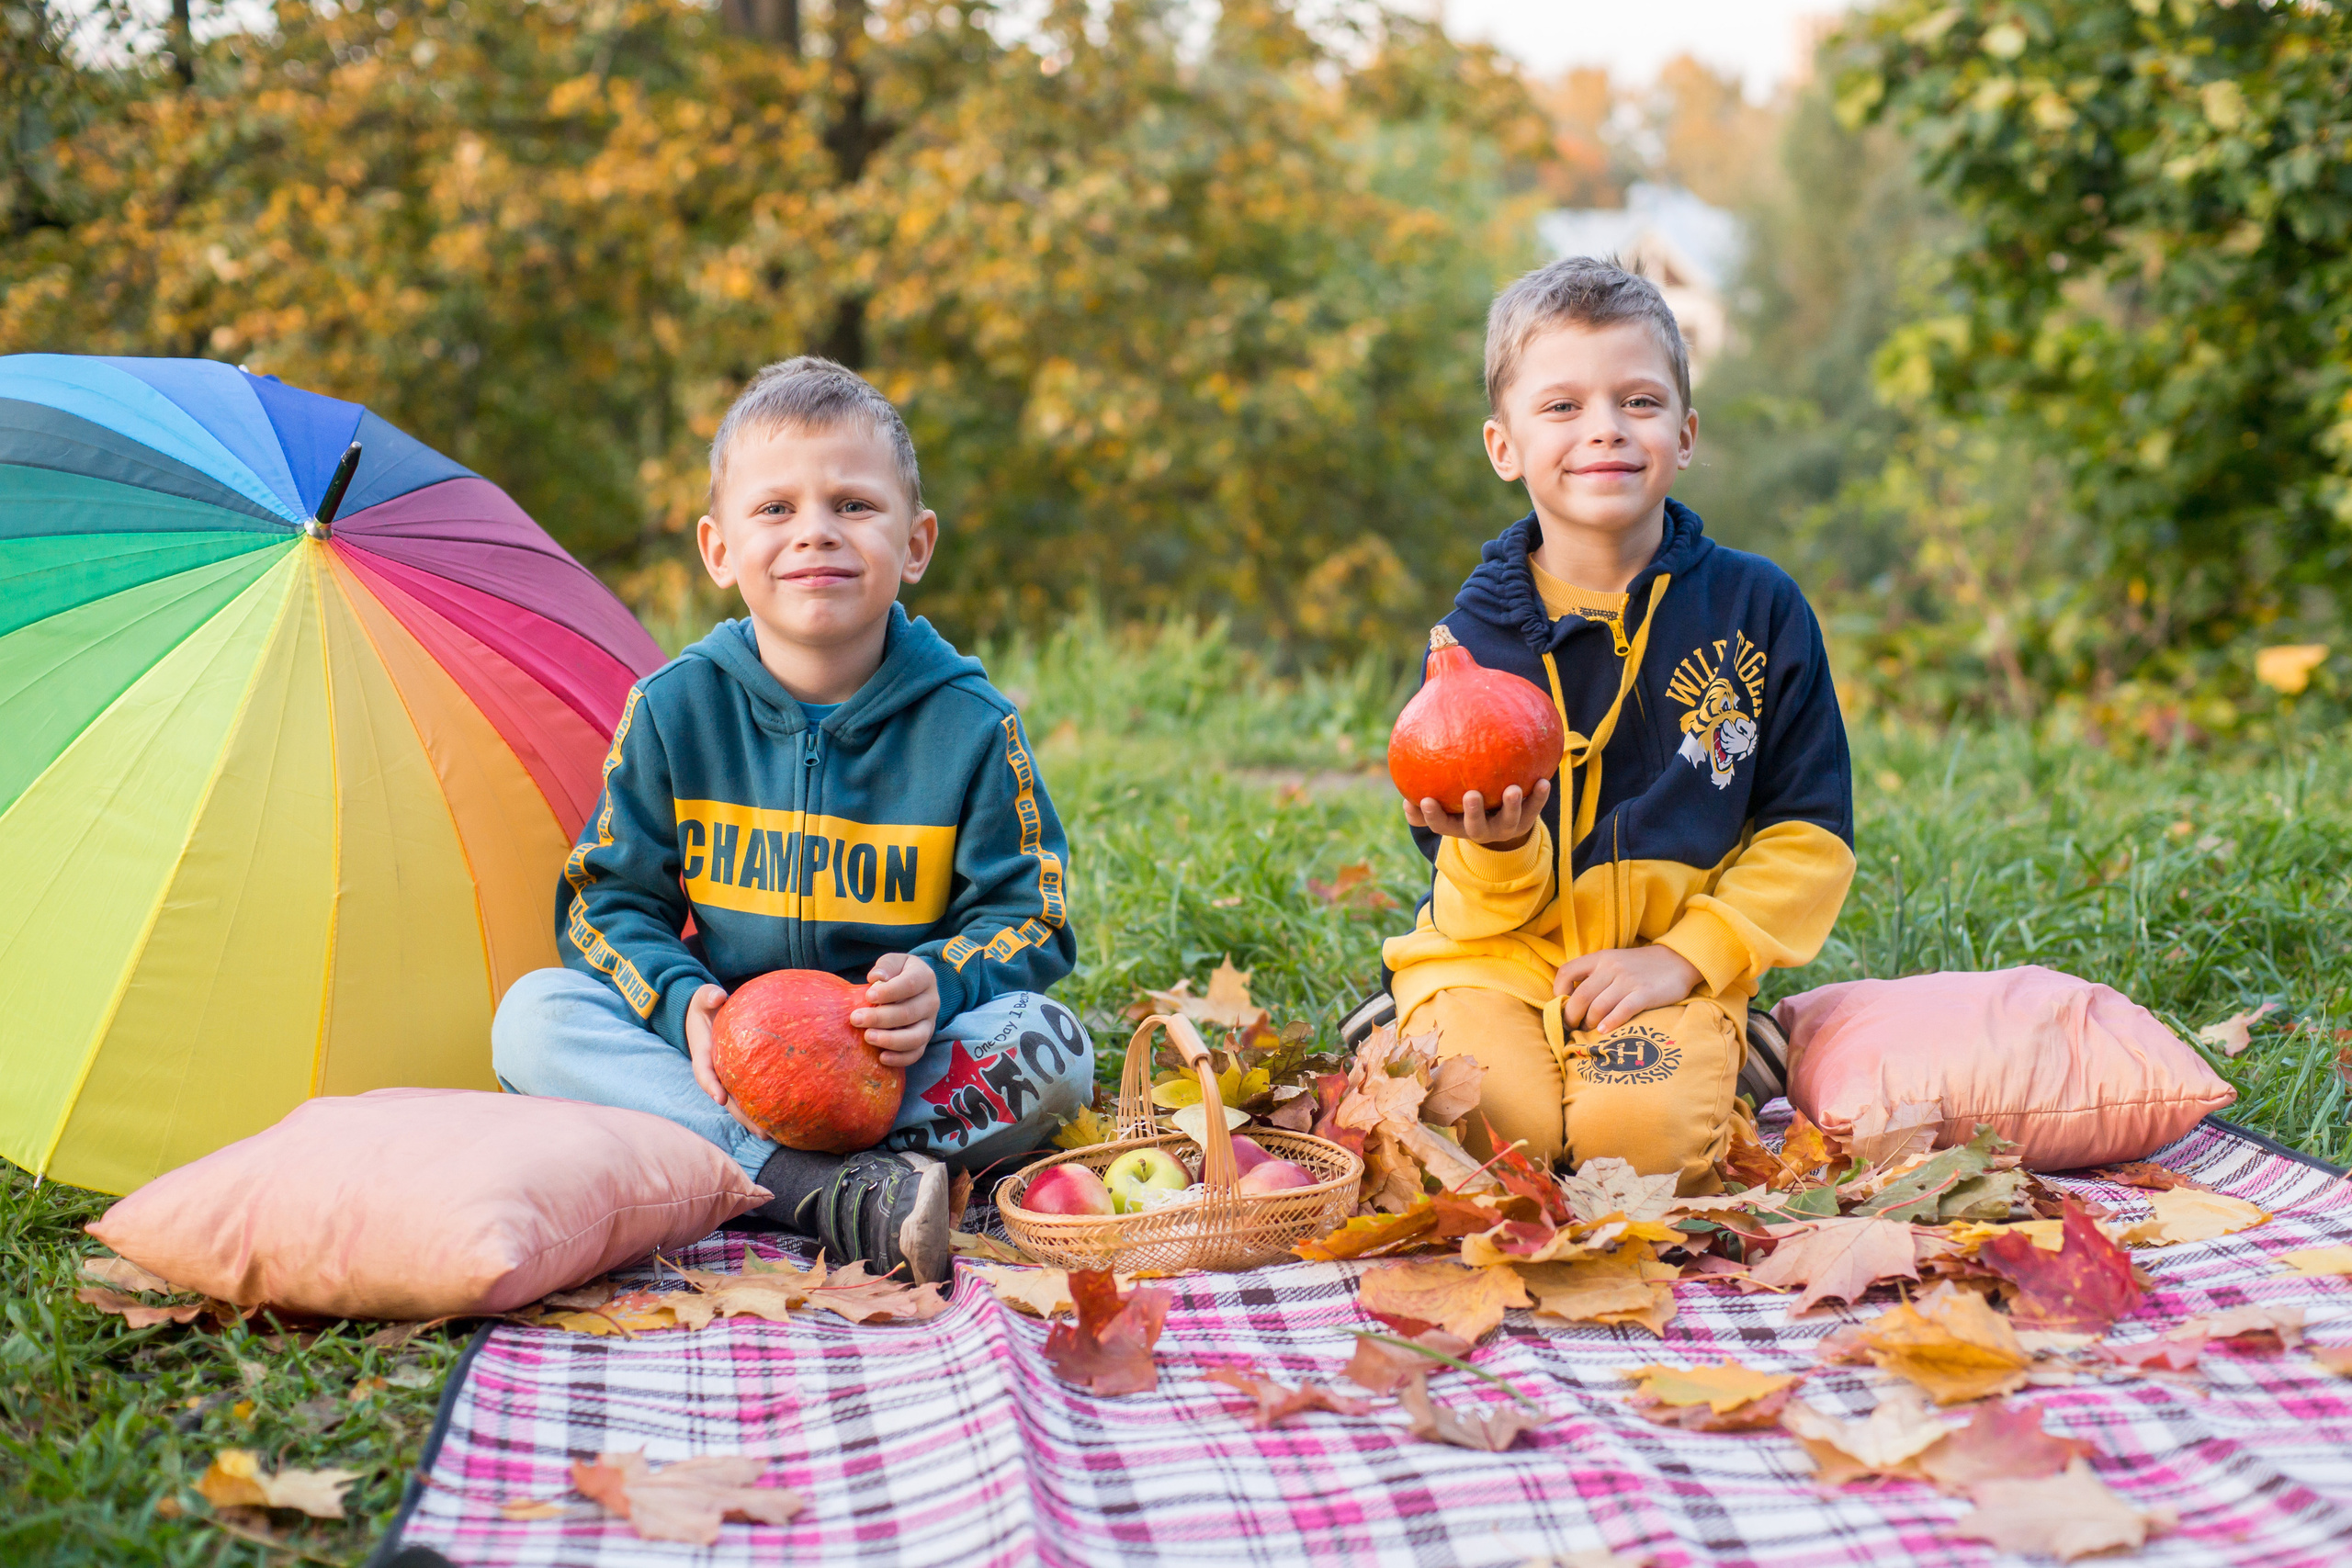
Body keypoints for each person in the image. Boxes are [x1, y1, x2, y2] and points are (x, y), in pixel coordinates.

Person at [493, 357, 1090, 1282]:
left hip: (895, 1069)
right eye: (775, 509)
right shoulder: (673, 710)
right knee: (533, 1021)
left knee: (1052, 1051)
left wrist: (937, 981)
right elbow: (601, 903)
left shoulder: (970, 726)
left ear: (917, 542)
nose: (815, 532)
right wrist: (676, 997)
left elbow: (1034, 919)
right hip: (728, 1063)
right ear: (719, 549)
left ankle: (746, 1168)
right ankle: (814, 1189)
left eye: (853, 504)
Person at [1381, 256, 1855, 1195]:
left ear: (1684, 434)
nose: (1603, 428)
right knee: (1493, 1144)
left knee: (1632, 1156)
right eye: (1561, 407)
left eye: (1636, 401)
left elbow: (1809, 831)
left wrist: (1686, 959)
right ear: (1502, 445)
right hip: (1496, 957)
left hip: (1668, 961)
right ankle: (1411, 1011)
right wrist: (1502, 846)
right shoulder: (1467, 643)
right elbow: (1454, 878)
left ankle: (1739, 1035)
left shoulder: (1756, 607)